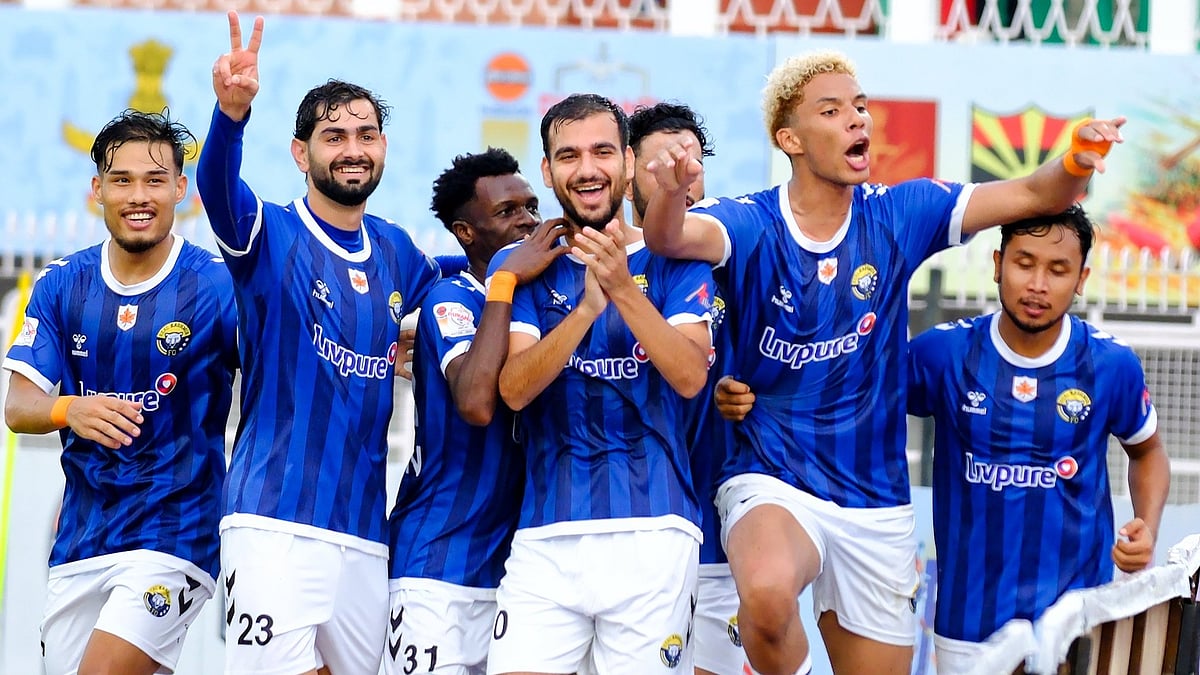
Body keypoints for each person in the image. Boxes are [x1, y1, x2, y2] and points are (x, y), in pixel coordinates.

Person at [641, 49, 1125, 675]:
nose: (855, 120)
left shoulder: (901, 212)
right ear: (789, 137)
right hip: (772, 478)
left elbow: (1034, 192)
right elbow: (668, 238)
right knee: (763, 593)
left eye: (861, 107)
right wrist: (673, 194)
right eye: (832, 110)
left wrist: (1077, 159)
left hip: (876, 500)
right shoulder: (750, 220)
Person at [197, 12, 442, 674]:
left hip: (365, 532)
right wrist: (230, 116)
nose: (353, 148)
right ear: (301, 153)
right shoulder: (270, 235)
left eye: (365, 135)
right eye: (334, 137)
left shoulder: (400, 251)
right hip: (274, 522)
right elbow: (215, 190)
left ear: (384, 147)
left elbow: (455, 312)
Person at [485, 93, 713, 675]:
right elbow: (513, 389)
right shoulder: (522, 262)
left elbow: (690, 376)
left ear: (630, 162)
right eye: (569, 155)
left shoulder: (675, 256)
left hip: (654, 531)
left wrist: (623, 289)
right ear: (547, 170)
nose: (587, 169)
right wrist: (586, 310)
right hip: (545, 535)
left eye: (602, 152)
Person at [3, 109, 237, 675]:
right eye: (123, 179)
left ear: (182, 189)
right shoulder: (62, 284)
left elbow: (277, 370)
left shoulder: (215, 283)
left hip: (176, 532)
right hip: (82, 540)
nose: (140, 195)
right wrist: (69, 409)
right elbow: (19, 406)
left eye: (156, 181)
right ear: (97, 190)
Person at [905, 206, 1170, 672]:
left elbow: (1147, 451)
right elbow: (858, 407)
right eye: (1024, 263)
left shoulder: (1110, 365)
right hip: (967, 626)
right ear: (997, 264)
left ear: (1081, 278)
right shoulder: (943, 354)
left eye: (1058, 269)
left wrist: (1146, 522)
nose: (1038, 284)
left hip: (1078, 623)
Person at [384, 148, 565, 675]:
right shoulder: (455, 299)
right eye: (507, 212)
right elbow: (477, 403)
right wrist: (504, 283)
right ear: (466, 232)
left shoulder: (547, 304)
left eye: (531, 206)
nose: (528, 220)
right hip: (437, 565)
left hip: (518, 573)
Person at [627, 102, 749, 675]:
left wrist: (746, 390)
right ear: (628, 172)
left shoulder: (739, 254)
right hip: (626, 526)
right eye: (665, 165)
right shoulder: (594, 263)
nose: (683, 177)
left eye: (694, 165)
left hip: (718, 532)